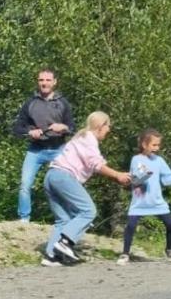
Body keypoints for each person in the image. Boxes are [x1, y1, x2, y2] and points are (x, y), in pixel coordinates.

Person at [43, 111, 131, 266]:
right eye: (108, 126)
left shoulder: (80, 138)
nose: (109, 130)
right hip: (64, 176)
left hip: (51, 176)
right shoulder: (89, 139)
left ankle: (51, 256)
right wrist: (118, 175)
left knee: (63, 219)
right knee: (88, 211)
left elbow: (96, 165)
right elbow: (96, 164)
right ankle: (65, 243)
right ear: (101, 126)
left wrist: (117, 178)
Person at [117, 129, 171, 265]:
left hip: (157, 201)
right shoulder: (136, 159)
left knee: (170, 224)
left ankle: (170, 250)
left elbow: (166, 179)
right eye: (154, 145)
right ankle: (125, 253)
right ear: (144, 145)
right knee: (131, 226)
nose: (157, 148)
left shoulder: (159, 160)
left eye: (158, 145)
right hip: (140, 202)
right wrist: (144, 176)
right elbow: (136, 180)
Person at [12, 68, 75, 222]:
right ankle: (24, 220)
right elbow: (17, 128)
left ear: (54, 82)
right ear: (38, 82)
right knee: (25, 185)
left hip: (58, 149)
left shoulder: (63, 103)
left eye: (47, 80)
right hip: (36, 149)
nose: (44, 83)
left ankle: (69, 218)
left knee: (64, 184)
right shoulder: (30, 103)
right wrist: (30, 132)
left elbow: (73, 128)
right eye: (41, 80)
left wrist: (63, 127)